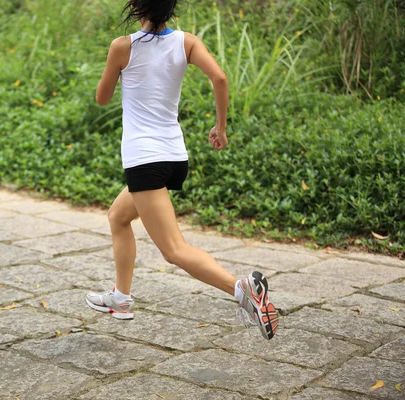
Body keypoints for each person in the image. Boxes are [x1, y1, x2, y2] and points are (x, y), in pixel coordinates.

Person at [85, 0, 278, 340]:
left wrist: (116, 72)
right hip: (175, 157)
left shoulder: (122, 46)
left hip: (145, 160)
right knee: (118, 216)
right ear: (171, 8)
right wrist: (220, 127)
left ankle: (243, 291)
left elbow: (102, 98)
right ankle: (122, 299)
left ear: (136, 7)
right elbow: (218, 76)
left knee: (174, 250)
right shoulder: (187, 41)